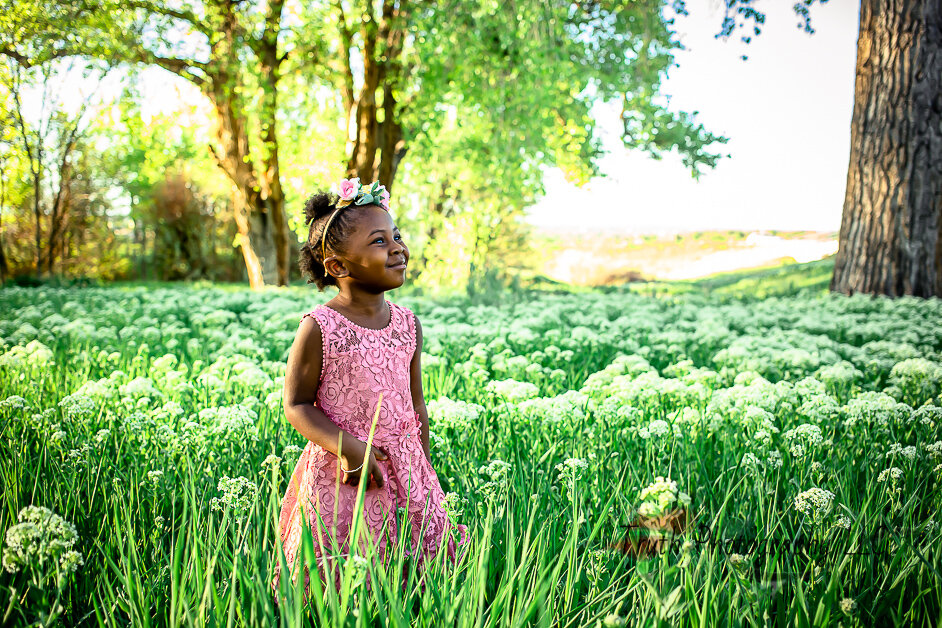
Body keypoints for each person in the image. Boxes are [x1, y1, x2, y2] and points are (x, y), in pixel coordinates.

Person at [271, 178, 470, 604]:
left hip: (407, 465)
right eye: (380, 241)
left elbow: (416, 405)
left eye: (397, 236)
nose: (398, 247)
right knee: (343, 570)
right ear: (339, 266)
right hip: (342, 470)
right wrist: (349, 447)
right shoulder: (320, 327)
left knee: (415, 569)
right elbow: (297, 405)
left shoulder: (408, 324)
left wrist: (424, 468)